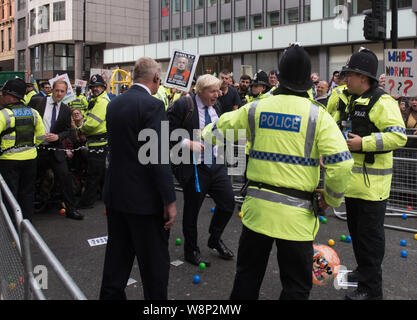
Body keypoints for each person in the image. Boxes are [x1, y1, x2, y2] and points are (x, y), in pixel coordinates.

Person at [202, 44, 354, 300]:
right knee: (295, 286)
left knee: (247, 279)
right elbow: (342, 164)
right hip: (297, 219)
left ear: (279, 77)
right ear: (308, 80)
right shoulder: (319, 116)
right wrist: (331, 198)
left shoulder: (256, 108)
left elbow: (212, 133)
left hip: (257, 214)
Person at [100, 57, 177, 300]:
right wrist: (169, 199)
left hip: (116, 195)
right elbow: (158, 157)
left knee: (116, 264)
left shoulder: (114, 104)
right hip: (144, 202)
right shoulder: (153, 106)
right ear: (155, 78)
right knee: (154, 271)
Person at [334, 48, 407, 300]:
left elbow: (399, 136)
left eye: (349, 75)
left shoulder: (383, 102)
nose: (345, 79)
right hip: (353, 186)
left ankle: (371, 290)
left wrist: (363, 143)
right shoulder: (352, 100)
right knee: (358, 236)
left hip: (372, 189)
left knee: (370, 241)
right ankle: (362, 273)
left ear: (363, 77)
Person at [167, 74, 235, 267]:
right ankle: (191, 250)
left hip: (216, 164)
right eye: (213, 91)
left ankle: (214, 238)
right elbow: (165, 131)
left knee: (228, 203)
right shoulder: (183, 105)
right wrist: (188, 143)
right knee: (192, 210)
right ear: (201, 91)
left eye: (219, 90)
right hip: (194, 168)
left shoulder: (218, 106)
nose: (218, 94)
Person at [0, 78, 46, 222]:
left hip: (8, 162)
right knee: (27, 194)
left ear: (11, 95)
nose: (0, 96)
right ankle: (27, 226)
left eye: (3, 93)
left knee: (9, 196)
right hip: (30, 160)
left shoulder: (2, 114)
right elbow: (41, 136)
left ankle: (11, 228)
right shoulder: (33, 112)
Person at [28, 79, 84, 221]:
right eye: (57, 90)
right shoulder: (38, 102)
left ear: (66, 93)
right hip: (37, 148)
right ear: (52, 90)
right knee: (29, 178)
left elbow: (67, 131)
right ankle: (26, 212)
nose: (59, 94)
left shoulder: (66, 109)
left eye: (62, 91)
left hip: (55, 149)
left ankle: (71, 210)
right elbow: (27, 121)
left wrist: (58, 137)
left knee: (65, 177)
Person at [76, 74, 110, 209]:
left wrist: (80, 129)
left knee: (93, 175)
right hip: (96, 143)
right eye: (93, 86)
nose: (95, 89)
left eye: (98, 86)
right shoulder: (96, 100)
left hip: (98, 143)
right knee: (100, 173)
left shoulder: (101, 102)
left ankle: (86, 202)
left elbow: (92, 124)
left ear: (103, 87)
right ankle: (104, 196)